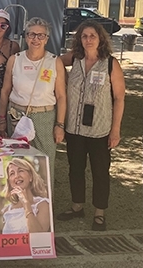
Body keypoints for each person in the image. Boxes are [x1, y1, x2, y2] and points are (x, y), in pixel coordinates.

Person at [57, 21, 125, 231]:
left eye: (92, 35)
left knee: (100, 172)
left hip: (99, 130)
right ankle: (77, 206)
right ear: (79, 39)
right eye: (84, 36)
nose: (88, 39)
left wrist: (115, 130)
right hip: (75, 129)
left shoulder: (111, 64)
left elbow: (120, 98)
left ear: (100, 38)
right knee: (75, 169)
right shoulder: (74, 59)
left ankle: (99, 212)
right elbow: (53, 63)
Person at [0, 17, 66, 184]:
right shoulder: (15, 59)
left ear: (47, 39)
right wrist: (1, 119)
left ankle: (45, 207)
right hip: (16, 116)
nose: (36, 39)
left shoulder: (54, 61)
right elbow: (5, 91)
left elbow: (61, 96)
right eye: (32, 34)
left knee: (44, 164)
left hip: (45, 118)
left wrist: (60, 125)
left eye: (41, 35)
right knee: (17, 164)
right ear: (26, 37)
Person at [0, 158, 51, 234]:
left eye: (20, 171)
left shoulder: (43, 205)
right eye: (12, 173)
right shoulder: (7, 210)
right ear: (10, 182)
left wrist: (26, 203)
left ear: (30, 176)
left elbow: (39, 236)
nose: (16, 176)